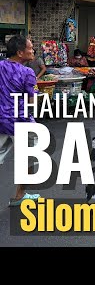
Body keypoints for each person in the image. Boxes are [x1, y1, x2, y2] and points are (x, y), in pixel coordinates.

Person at [0, 35, 41, 206]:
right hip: (21, 121)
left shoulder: (1, 65)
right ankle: (19, 195)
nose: (33, 51)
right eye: (30, 48)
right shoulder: (27, 72)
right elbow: (33, 100)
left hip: (2, 119)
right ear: (20, 52)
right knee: (32, 156)